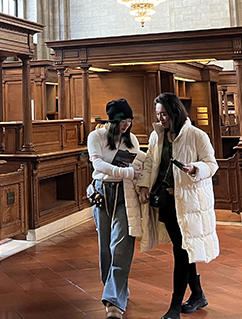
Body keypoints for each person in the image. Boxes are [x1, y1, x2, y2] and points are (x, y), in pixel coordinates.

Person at [138, 93, 219, 319]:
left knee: (182, 251)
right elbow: (150, 162)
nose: (161, 118)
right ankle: (198, 295)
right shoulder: (158, 136)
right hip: (166, 201)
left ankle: (174, 307)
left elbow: (212, 165)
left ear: (175, 112)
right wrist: (144, 186)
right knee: (182, 248)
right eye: (158, 114)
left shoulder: (196, 135)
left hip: (189, 202)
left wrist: (195, 169)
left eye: (164, 114)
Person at [86, 99, 145, 319]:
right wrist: (127, 172)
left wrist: (136, 178)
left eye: (129, 120)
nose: (126, 125)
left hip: (125, 194)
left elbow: (137, 163)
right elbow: (98, 165)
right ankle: (116, 289)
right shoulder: (96, 137)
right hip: (102, 193)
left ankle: (113, 302)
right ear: (112, 120)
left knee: (120, 245)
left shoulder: (132, 140)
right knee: (105, 248)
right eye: (122, 120)